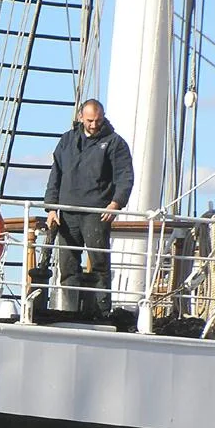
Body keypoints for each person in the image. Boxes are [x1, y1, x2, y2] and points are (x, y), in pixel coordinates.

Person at [44, 98, 134, 315]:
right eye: (90, 120)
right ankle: (70, 310)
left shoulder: (114, 143)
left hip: (96, 213)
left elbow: (125, 176)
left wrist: (116, 203)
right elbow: (55, 174)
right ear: (80, 117)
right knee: (67, 266)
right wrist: (51, 208)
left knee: (99, 264)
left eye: (98, 120)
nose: (94, 125)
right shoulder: (67, 140)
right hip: (67, 213)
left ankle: (101, 311)